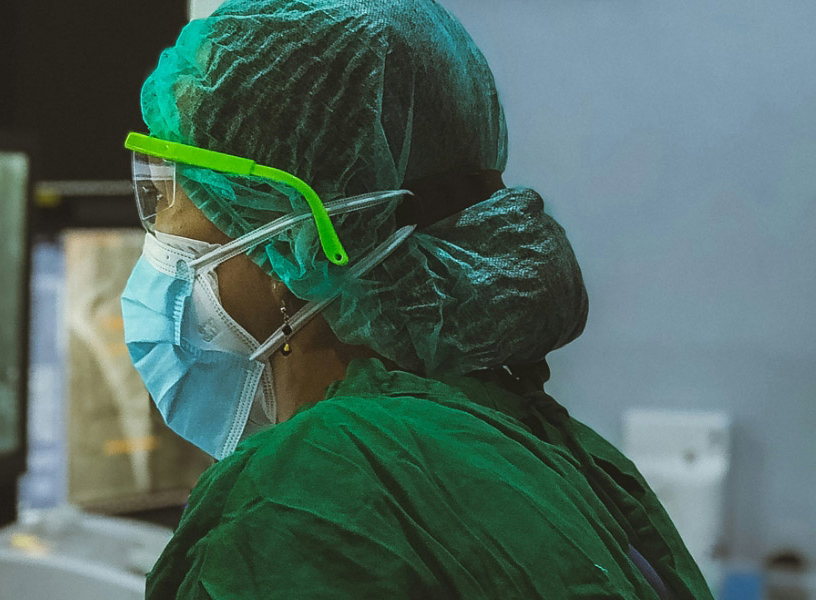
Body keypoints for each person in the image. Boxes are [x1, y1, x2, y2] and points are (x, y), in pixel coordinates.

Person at [117, 0, 716, 598]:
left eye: (165, 195)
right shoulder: (535, 447)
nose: (156, 229)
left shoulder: (319, 489)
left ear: (292, 241)